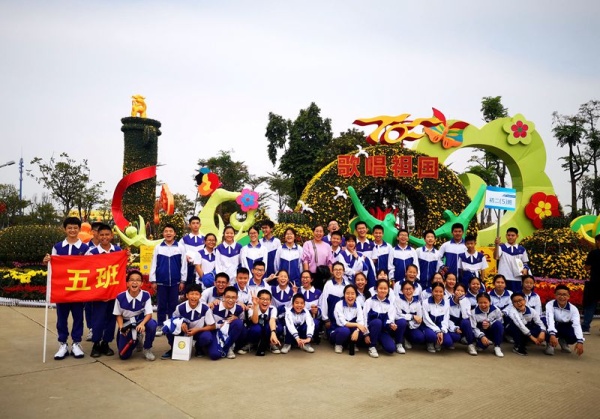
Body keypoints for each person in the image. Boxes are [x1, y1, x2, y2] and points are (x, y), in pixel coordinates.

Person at [43, 216, 89, 360]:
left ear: (79, 229)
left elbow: (91, 266)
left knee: (78, 317)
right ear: (65, 229)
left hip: (78, 290)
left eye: (75, 228)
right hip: (62, 290)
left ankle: (76, 343)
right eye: (69, 228)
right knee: (61, 318)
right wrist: (47, 261)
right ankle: (62, 344)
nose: (72, 230)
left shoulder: (85, 248)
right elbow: (53, 266)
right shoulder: (58, 247)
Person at [86, 223, 121, 358]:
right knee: (98, 319)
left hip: (113, 292)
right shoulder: (92, 252)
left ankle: (106, 343)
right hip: (98, 293)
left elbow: (121, 269)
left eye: (107, 234)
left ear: (111, 236)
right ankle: (96, 343)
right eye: (102, 235)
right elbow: (87, 271)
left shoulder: (117, 251)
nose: (104, 237)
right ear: (97, 235)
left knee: (111, 319)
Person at [150, 223, 187, 335]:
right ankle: (160, 325)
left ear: (174, 233)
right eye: (166, 231)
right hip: (161, 282)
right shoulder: (158, 247)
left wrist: (182, 280)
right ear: (163, 233)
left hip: (175, 282)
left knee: (173, 305)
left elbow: (184, 265)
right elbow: (154, 264)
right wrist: (153, 280)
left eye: (171, 231)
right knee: (161, 305)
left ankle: (172, 324)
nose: (168, 233)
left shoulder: (180, 247)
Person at [160, 284, 216, 359]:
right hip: (183, 331)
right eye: (191, 294)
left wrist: (197, 330)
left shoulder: (205, 308)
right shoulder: (180, 307)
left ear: (200, 296)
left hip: (198, 332)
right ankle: (173, 348)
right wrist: (181, 324)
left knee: (207, 337)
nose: (194, 297)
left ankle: (198, 347)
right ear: (187, 295)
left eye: (196, 294)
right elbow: (173, 319)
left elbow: (212, 326)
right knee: (169, 329)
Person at [113, 270, 157, 361]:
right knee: (123, 355)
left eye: (138, 280)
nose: (134, 282)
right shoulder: (120, 297)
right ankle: (137, 339)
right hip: (127, 323)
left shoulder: (146, 295)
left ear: (141, 283)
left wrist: (142, 324)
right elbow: (118, 315)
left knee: (152, 324)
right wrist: (121, 327)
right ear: (127, 283)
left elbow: (149, 314)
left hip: (140, 320)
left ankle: (147, 348)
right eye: (132, 280)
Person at [362, 279, 403, 357]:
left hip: (382, 331)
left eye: (385, 288)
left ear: (388, 290)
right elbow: (364, 318)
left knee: (391, 349)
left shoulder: (390, 305)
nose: (383, 290)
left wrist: (391, 325)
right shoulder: (369, 301)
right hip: (370, 329)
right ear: (376, 289)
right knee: (377, 322)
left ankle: (379, 341)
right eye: (381, 288)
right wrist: (366, 334)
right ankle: (372, 346)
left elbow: (390, 320)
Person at [544, 285, 584, 356]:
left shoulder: (573, 309)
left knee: (574, 333)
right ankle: (550, 343)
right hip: (554, 325)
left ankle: (563, 340)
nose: (562, 297)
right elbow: (550, 320)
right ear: (555, 295)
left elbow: (577, 324)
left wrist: (580, 341)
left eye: (564, 295)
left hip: (565, 327)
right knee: (544, 322)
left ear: (569, 296)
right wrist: (552, 335)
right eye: (559, 294)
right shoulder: (550, 305)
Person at [210, 286, 246, 359]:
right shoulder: (214, 307)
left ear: (237, 298)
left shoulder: (239, 309)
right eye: (228, 297)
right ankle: (216, 346)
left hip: (231, 333)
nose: (230, 300)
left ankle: (229, 347)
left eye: (233, 297)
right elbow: (209, 324)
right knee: (215, 355)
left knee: (239, 323)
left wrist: (236, 318)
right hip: (216, 332)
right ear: (223, 297)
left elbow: (241, 324)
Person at [331, 284, 368, 354]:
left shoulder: (358, 305)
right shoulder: (339, 304)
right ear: (344, 295)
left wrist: (357, 330)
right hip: (339, 330)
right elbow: (342, 323)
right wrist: (357, 325)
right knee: (345, 331)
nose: (350, 296)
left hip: (351, 329)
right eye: (347, 293)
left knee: (362, 329)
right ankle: (338, 344)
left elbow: (361, 320)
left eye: (352, 293)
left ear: (356, 295)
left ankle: (351, 344)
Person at [494, 227, 531, 293]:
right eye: (508, 235)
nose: (510, 237)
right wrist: (496, 245)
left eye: (513, 235)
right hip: (503, 279)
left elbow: (525, 263)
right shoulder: (501, 247)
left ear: (517, 236)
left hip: (517, 279)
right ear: (506, 236)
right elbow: (496, 257)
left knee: (516, 297)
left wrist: (525, 269)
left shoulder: (522, 249)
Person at [247, 290, 282, 356]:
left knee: (278, 327)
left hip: (267, 328)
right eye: (262, 299)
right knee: (256, 329)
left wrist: (273, 332)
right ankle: (252, 343)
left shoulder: (273, 308)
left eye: (267, 299)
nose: (265, 301)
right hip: (257, 328)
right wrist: (256, 306)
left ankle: (270, 343)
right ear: (258, 300)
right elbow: (255, 321)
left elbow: (272, 320)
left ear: (270, 301)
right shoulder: (252, 308)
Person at [421, 283, 454, 353]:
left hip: (440, 326)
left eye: (441, 292)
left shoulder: (446, 303)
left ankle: (438, 341)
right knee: (431, 336)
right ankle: (430, 343)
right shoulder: (425, 303)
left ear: (443, 292)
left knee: (448, 342)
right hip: (428, 326)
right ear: (432, 292)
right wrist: (437, 331)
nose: (438, 294)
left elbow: (446, 319)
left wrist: (442, 331)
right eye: (436, 291)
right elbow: (426, 320)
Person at [470, 293, 504, 357]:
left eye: (485, 302)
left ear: (490, 302)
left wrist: (490, 324)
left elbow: (500, 320)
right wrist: (482, 336)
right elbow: (473, 327)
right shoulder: (473, 312)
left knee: (498, 324)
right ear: (477, 302)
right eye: (480, 303)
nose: (483, 305)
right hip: (481, 332)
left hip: (492, 330)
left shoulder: (495, 309)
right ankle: (480, 343)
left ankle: (497, 346)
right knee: (482, 346)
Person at [394, 281, 424, 351]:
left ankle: (405, 338)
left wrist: (411, 324)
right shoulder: (397, 300)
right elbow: (396, 315)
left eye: (410, 289)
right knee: (402, 322)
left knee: (420, 337)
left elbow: (419, 319)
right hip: (398, 326)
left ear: (414, 290)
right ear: (402, 291)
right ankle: (398, 343)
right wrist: (412, 317)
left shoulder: (417, 302)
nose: (408, 291)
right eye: (406, 289)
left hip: (411, 326)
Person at [320, 262, 350, 333]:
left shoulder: (347, 285)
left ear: (343, 271)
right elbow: (324, 302)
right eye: (336, 269)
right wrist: (326, 319)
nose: (338, 271)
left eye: (340, 269)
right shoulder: (328, 285)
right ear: (332, 271)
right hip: (331, 320)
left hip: (345, 319)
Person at [448, 283, 477, 356]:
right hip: (451, 327)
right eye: (457, 290)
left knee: (466, 322)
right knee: (455, 337)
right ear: (454, 291)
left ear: (465, 293)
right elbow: (446, 319)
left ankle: (470, 345)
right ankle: (457, 339)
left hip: (462, 325)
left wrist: (462, 302)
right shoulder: (447, 302)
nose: (459, 292)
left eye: (462, 291)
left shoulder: (467, 301)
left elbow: (465, 316)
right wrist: (455, 328)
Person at [582, 234, 600, 335]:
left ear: (597, 241)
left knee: (591, 305)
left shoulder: (593, 253)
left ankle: (585, 327)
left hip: (595, 282)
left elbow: (587, 267)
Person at [182, 216, 205, 286]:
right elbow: (179, 251)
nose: (195, 225)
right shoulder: (184, 239)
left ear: (200, 225)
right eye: (193, 223)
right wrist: (184, 256)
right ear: (189, 225)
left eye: (197, 223)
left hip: (202, 268)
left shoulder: (205, 239)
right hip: (188, 268)